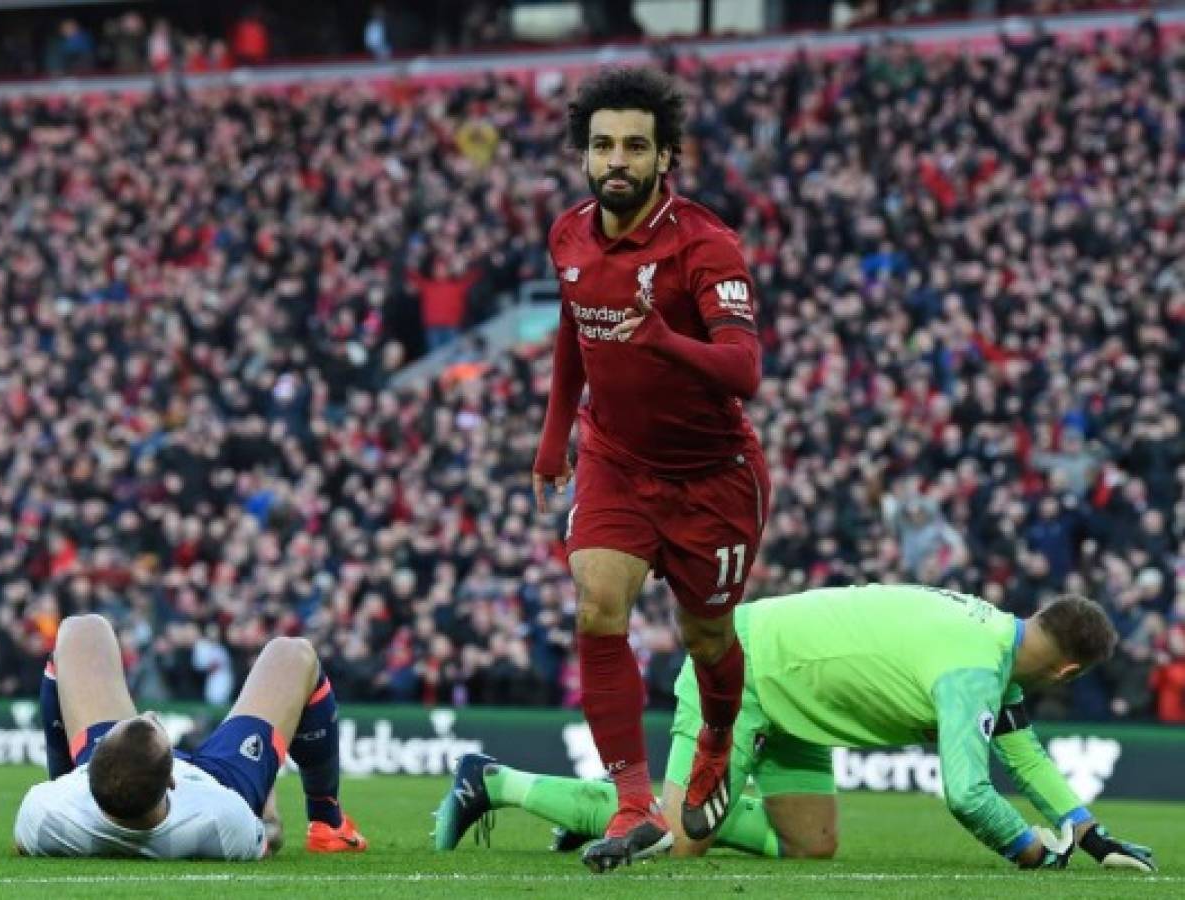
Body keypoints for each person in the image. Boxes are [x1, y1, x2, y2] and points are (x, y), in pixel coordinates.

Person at [434, 586, 1156, 873]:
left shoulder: (991, 636)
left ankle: (631, 804)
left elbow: (1018, 747)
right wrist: (1035, 852)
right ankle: (495, 780)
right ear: (1066, 672)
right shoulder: (973, 670)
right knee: (681, 842)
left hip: (796, 696)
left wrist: (1085, 833)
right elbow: (967, 794)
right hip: (742, 675)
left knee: (812, 846)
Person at [532, 66, 768, 870]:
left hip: (711, 474)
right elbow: (574, 330)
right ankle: (633, 802)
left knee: (705, 638)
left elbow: (743, 371)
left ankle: (715, 737)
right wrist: (553, 436)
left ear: (666, 155)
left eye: (635, 145)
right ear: (585, 156)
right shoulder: (567, 234)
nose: (617, 160)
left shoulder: (706, 244)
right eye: (602, 146)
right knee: (597, 607)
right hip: (615, 459)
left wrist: (660, 337)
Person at [13, 614, 367, 859]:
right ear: (171, 778)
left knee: (81, 629)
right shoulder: (221, 819)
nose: (148, 714)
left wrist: (64, 787)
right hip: (222, 780)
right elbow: (268, 836)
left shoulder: (46, 813)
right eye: (154, 725)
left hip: (102, 791)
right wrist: (267, 803)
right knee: (293, 653)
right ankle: (328, 823)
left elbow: (26, 837)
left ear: (90, 767)